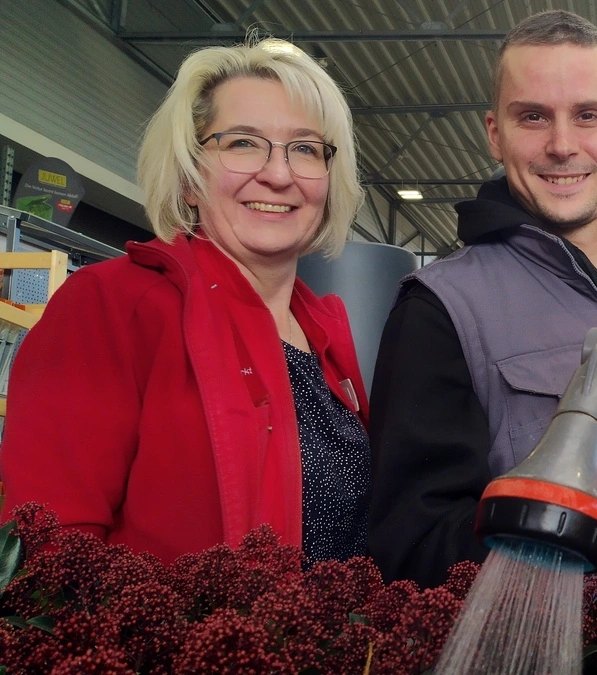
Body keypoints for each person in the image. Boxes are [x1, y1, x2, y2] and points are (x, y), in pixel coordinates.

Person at [368, 10, 597, 587]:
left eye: (587, 115)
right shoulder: (440, 308)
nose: (562, 145)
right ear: (495, 133)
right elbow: (408, 547)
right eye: (533, 117)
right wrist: (564, 498)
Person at [0, 38, 371, 564]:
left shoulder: (325, 334)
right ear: (191, 176)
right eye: (243, 143)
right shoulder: (112, 305)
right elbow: (51, 549)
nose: (280, 173)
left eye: (306, 148)